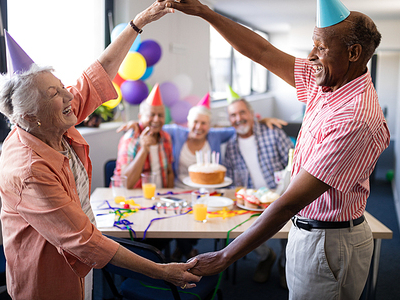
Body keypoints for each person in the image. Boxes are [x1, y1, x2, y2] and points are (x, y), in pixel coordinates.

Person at [158, 0, 390, 300]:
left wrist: (225, 256)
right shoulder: (325, 79)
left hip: (329, 241)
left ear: (353, 53)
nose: (311, 55)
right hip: (307, 230)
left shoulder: (354, 117)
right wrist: (205, 13)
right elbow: (263, 50)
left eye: (320, 47)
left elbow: (290, 201)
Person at [0, 0, 200, 300]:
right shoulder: (28, 169)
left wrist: (139, 21)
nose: (68, 98)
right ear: (29, 115)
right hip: (48, 278)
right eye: (54, 94)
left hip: (82, 265)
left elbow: (96, 75)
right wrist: (162, 272)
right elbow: (86, 241)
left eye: (62, 87)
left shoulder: (51, 122)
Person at [117, 93, 285, 262]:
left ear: (210, 126)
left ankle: (187, 252)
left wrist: (261, 121)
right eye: (195, 122)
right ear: (188, 123)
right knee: (182, 216)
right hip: (179, 193)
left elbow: (239, 126)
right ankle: (189, 252)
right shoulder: (175, 133)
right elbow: (154, 125)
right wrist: (136, 125)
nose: (198, 127)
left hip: (208, 193)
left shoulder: (215, 136)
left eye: (204, 123)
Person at [224, 97, 293, 284]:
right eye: (233, 115)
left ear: (252, 114)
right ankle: (266, 257)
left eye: (242, 112)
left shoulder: (272, 133)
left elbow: (294, 161)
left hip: (281, 194)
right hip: (251, 198)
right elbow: (231, 182)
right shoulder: (230, 146)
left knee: (290, 227)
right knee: (239, 226)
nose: (238, 118)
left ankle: (285, 263)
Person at [113, 83, 174, 189]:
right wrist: (144, 150)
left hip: (159, 199)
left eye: (160, 115)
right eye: (151, 114)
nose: (156, 119)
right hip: (133, 199)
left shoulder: (166, 137)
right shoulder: (130, 139)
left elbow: (169, 172)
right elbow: (126, 183)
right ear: (140, 117)